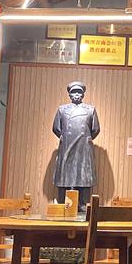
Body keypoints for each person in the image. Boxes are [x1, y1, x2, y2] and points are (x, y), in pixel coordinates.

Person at [52, 81, 100, 210]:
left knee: (83, 176)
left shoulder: (90, 110)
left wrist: (86, 139)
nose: (77, 95)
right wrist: (65, 138)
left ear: (83, 94)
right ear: (69, 94)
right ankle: (64, 205)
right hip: (66, 147)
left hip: (84, 149)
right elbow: (56, 128)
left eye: (79, 92)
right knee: (65, 177)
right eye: (74, 92)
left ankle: (82, 206)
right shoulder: (62, 110)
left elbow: (95, 129)